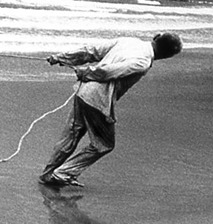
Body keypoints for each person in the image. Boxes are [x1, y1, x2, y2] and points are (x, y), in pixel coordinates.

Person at [39, 32, 183, 187]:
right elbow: (108, 72)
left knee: (71, 135)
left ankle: (49, 174)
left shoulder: (128, 41)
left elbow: (92, 50)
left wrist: (62, 57)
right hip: (97, 98)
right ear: (166, 56)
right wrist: (85, 72)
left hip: (83, 92)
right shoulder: (143, 62)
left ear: (155, 38)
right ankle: (63, 173)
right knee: (104, 144)